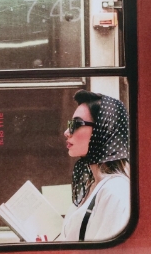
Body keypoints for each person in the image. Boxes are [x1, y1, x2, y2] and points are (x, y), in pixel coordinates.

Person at [58, 90, 130, 241]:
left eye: (76, 124)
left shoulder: (116, 190)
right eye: (70, 124)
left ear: (103, 130)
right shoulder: (91, 185)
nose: (67, 132)